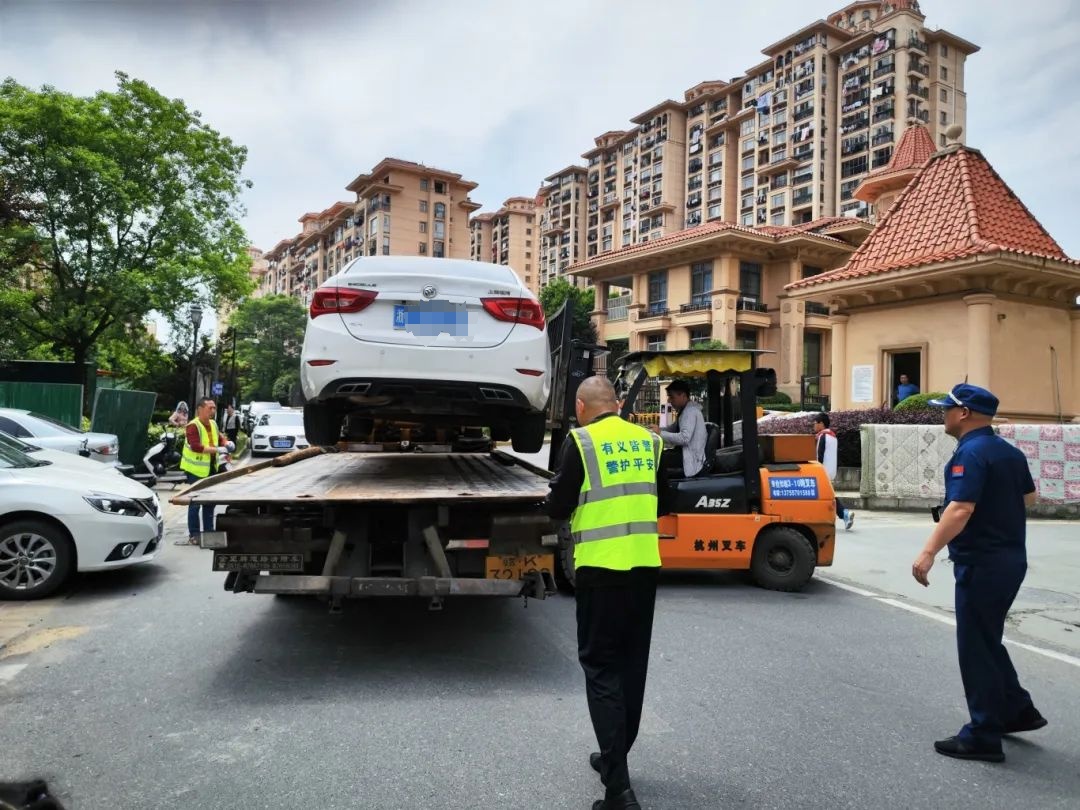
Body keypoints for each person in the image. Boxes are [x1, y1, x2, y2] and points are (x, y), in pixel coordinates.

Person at [545, 376, 661, 810]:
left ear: (580, 407)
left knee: (600, 669)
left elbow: (558, 506)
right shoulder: (650, 442)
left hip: (600, 569)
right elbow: (663, 501)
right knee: (631, 667)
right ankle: (616, 757)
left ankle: (618, 789)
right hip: (644, 568)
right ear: (616, 402)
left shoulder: (581, 442)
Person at [912, 383, 1044, 763]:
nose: (943, 414)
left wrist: (928, 552)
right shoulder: (1008, 452)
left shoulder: (970, 453)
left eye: (947, 408)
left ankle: (983, 734)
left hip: (982, 564)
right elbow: (1029, 498)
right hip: (1009, 561)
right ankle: (1017, 711)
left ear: (964, 413)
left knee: (976, 648)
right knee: (986, 641)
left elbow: (960, 508)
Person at [178, 397, 233, 546]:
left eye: (214, 408)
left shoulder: (213, 423)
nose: (213, 411)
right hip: (195, 470)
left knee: (209, 502)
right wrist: (218, 450)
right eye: (210, 408)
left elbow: (220, 438)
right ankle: (194, 535)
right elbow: (196, 446)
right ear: (200, 409)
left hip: (210, 468)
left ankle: (209, 532)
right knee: (195, 503)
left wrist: (226, 443)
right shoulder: (193, 426)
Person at [649, 379, 706, 478]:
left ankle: (662, 487)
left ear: (683, 395)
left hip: (690, 458)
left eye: (672, 397)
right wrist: (653, 430)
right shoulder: (684, 411)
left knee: (656, 459)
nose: (669, 400)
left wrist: (660, 433)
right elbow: (671, 429)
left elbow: (684, 438)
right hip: (683, 453)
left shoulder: (690, 412)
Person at [813, 412, 854, 531]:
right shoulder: (833, 437)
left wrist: (815, 471)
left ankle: (844, 514)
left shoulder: (823, 437)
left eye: (815, 423)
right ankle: (842, 515)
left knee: (827, 497)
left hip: (822, 472)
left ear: (821, 424)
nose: (814, 426)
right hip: (831, 472)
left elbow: (819, 456)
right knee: (827, 496)